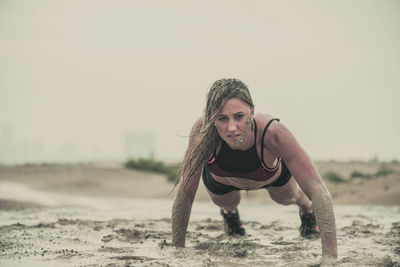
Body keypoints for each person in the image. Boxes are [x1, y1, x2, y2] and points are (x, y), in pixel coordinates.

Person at [171, 78, 337, 262]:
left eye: (239, 117)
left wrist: (330, 257)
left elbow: (317, 187)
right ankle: (230, 215)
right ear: (212, 118)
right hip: (222, 181)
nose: (232, 128)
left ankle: (305, 207)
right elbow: (186, 191)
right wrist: (177, 249)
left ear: (252, 111)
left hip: (270, 177)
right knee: (227, 202)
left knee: (286, 198)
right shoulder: (202, 132)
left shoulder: (273, 133)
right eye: (222, 118)